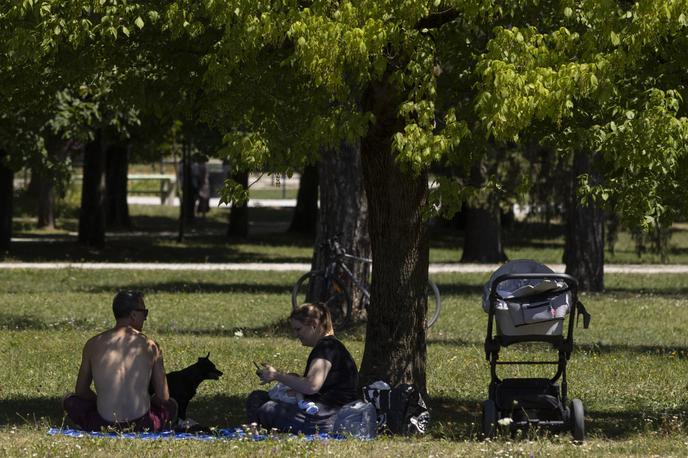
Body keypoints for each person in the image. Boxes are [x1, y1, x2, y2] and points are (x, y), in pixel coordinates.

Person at [63, 291, 177, 432]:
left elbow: (81, 391)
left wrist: (101, 401)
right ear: (133, 315)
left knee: (69, 399)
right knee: (171, 405)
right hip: (143, 425)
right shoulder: (152, 346)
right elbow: (163, 397)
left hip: (101, 425)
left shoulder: (92, 344)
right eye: (145, 313)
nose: (145, 319)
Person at [246, 303, 359, 434]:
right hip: (331, 415)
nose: (296, 334)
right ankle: (254, 430)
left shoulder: (326, 347)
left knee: (263, 405)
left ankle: (252, 431)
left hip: (322, 420)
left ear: (314, 325)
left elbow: (311, 386)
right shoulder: (332, 346)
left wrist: (277, 375)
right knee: (260, 397)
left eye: (298, 329)